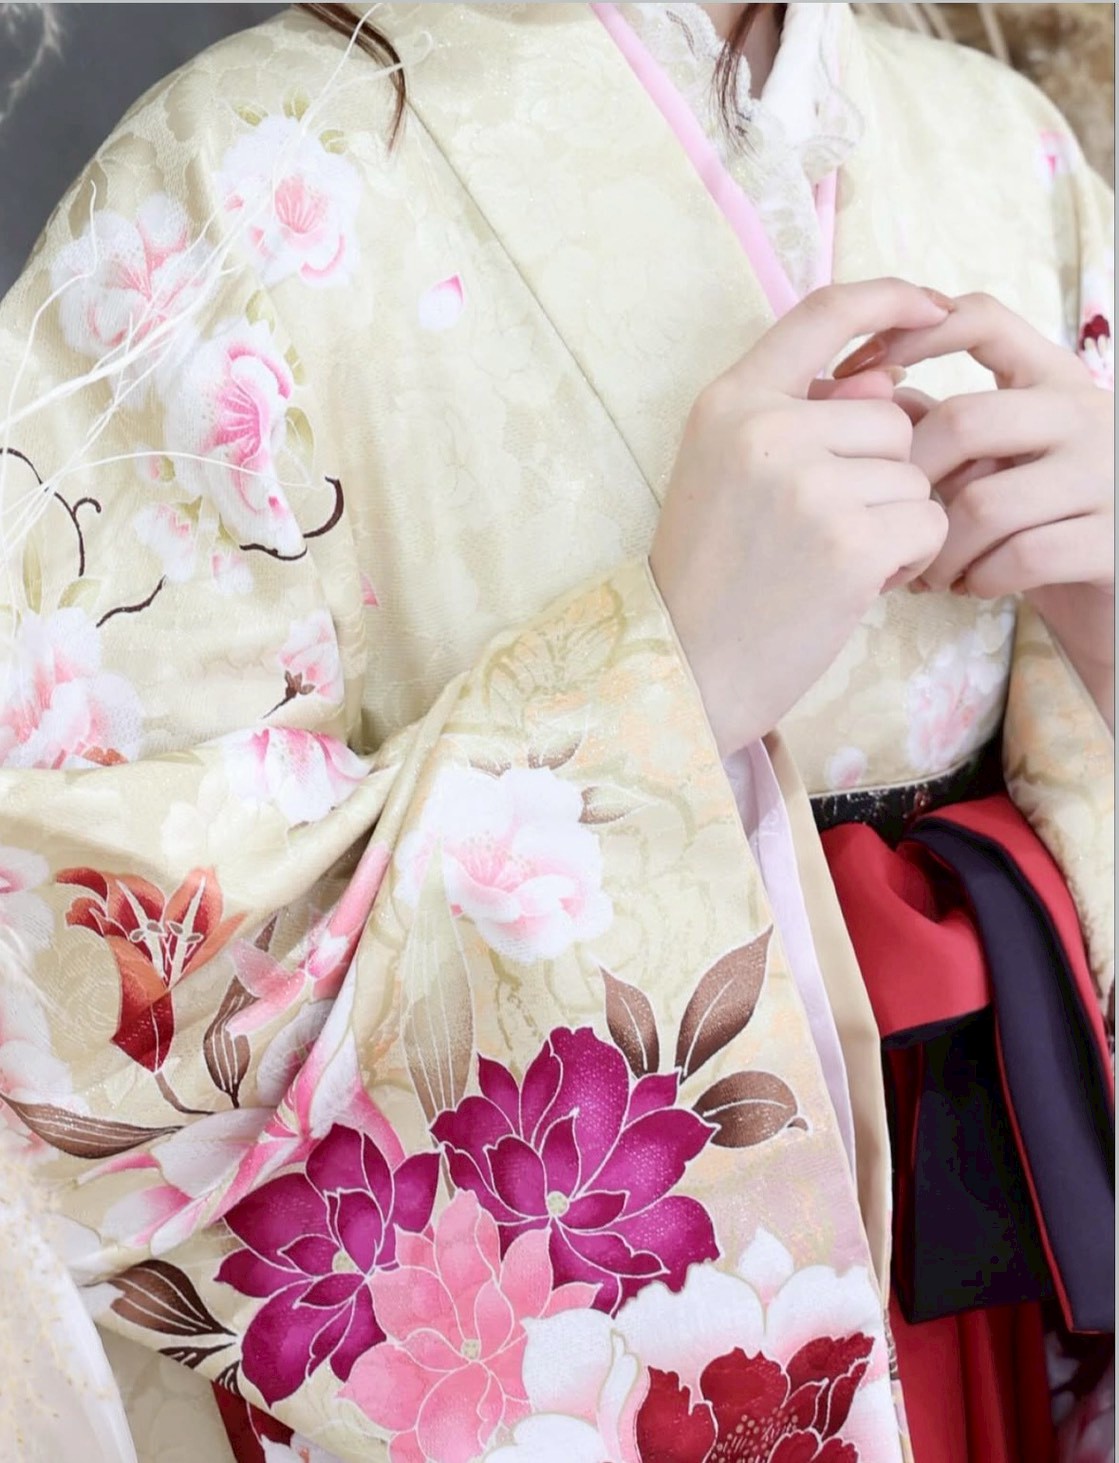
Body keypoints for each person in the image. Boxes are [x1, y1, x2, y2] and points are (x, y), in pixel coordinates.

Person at [0, 4, 1112, 1461]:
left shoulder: (1009, 148)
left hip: (995, 1274)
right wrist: (651, 694)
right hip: (648, 1323)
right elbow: (63, 967)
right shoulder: (233, 176)